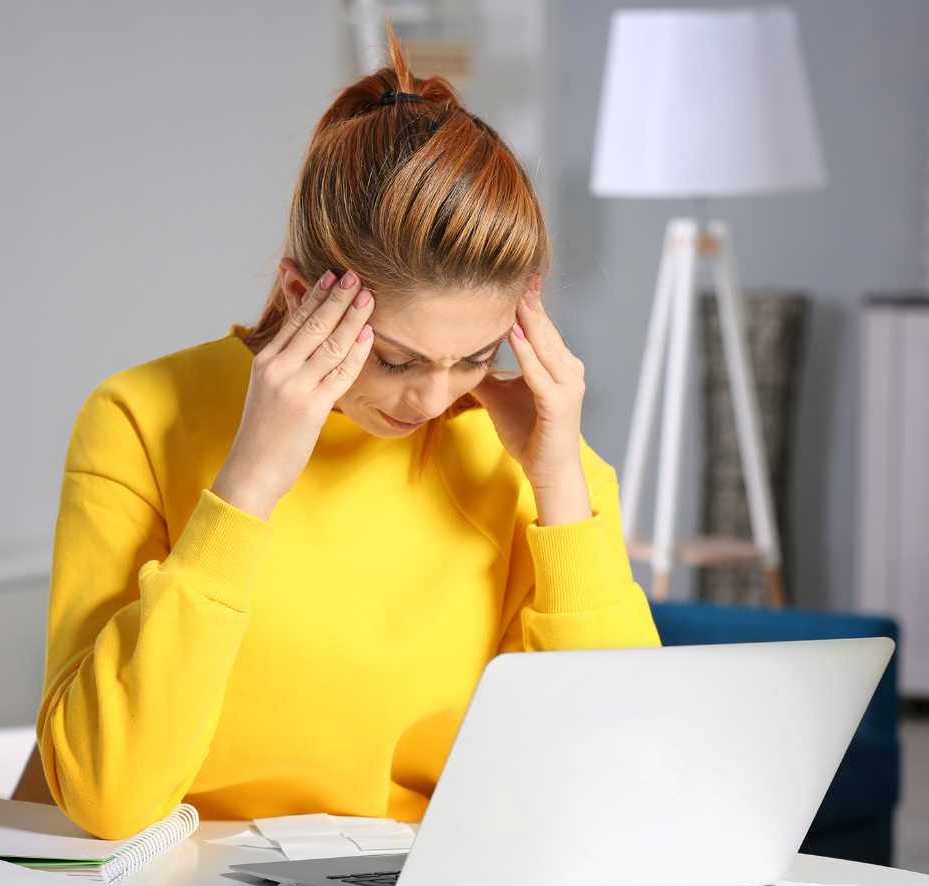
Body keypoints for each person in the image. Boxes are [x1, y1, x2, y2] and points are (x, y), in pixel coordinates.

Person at [36, 36, 659, 840]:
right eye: (397, 358)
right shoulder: (139, 418)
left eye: (476, 356)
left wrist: (564, 494)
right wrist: (248, 485)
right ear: (301, 294)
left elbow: (625, 788)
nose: (434, 400)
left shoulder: (533, 465)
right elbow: (107, 794)